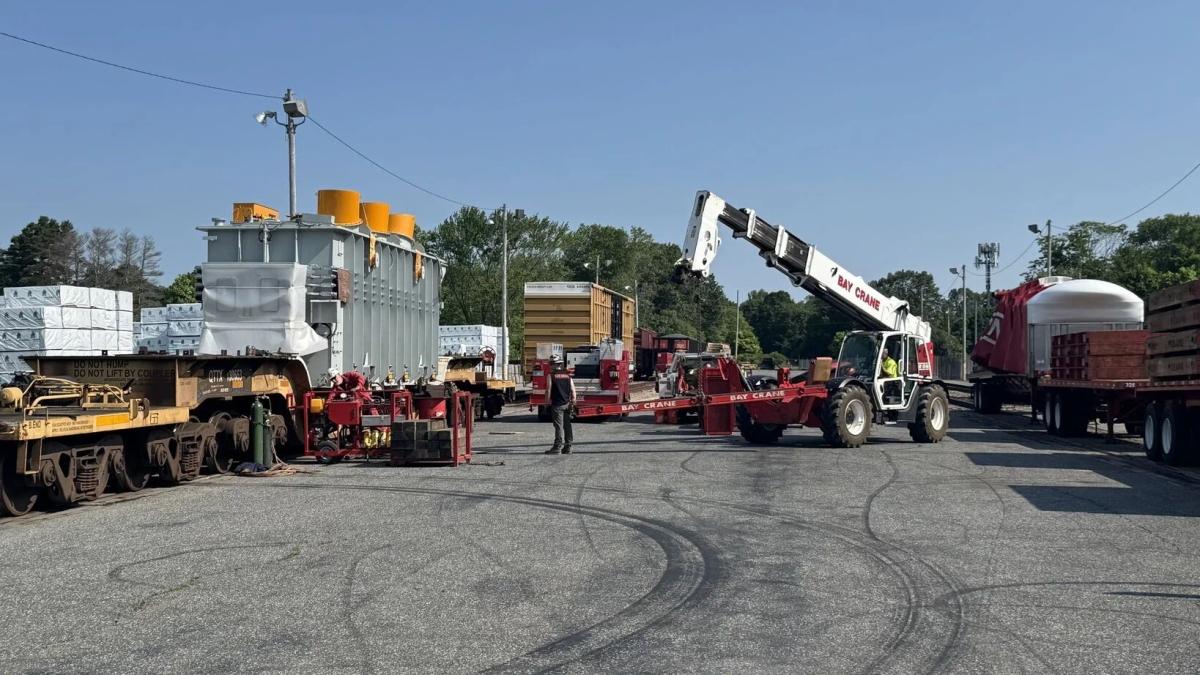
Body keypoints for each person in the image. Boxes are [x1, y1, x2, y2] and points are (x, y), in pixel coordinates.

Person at [545, 360, 577, 454]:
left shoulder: (551, 376)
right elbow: (573, 390)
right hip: (567, 404)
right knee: (567, 426)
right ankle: (568, 447)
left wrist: (546, 402)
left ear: (553, 365)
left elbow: (548, 390)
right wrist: (573, 401)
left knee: (558, 426)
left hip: (557, 405)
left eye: (551, 364)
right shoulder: (568, 376)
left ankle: (557, 447)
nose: (550, 366)